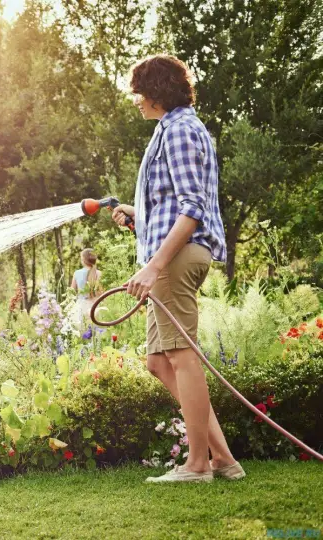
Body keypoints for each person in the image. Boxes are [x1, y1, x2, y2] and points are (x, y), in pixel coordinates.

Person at [112, 55, 243, 483]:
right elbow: (175, 204)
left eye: (138, 92)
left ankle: (198, 464)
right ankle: (222, 459)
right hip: (170, 253)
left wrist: (154, 265)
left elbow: (192, 208)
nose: (135, 100)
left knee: (182, 357)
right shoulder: (172, 129)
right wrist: (138, 214)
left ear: (156, 91)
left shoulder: (181, 130)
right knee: (159, 361)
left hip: (176, 258)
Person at [71, 248, 102, 322]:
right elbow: (100, 293)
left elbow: (72, 291)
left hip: (81, 305)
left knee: (81, 329)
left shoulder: (77, 273)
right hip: (95, 305)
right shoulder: (99, 273)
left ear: (83, 260)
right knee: (96, 330)